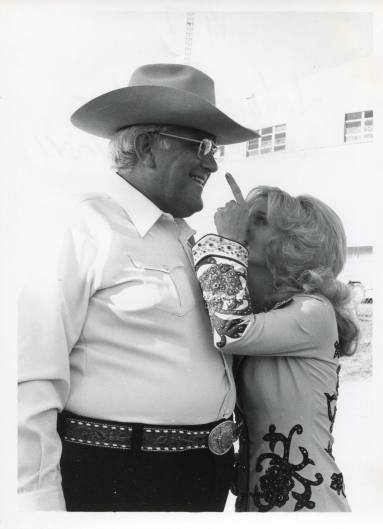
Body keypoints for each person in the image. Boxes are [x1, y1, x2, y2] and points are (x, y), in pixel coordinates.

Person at [17, 64, 258, 512]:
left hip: (197, 480)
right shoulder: (82, 224)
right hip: (113, 478)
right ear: (147, 146)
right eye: (202, 145)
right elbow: (28, 379)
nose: (212, 161)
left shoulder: (188, 237)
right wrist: (36, 507)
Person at [192, 173, 359, 512]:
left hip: (310, 506)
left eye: (260, 220)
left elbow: (230, 330)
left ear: (295, 244)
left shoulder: (314, 311)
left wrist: (227, 240)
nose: (244, 225)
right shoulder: (274, 313)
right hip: (260, 505)